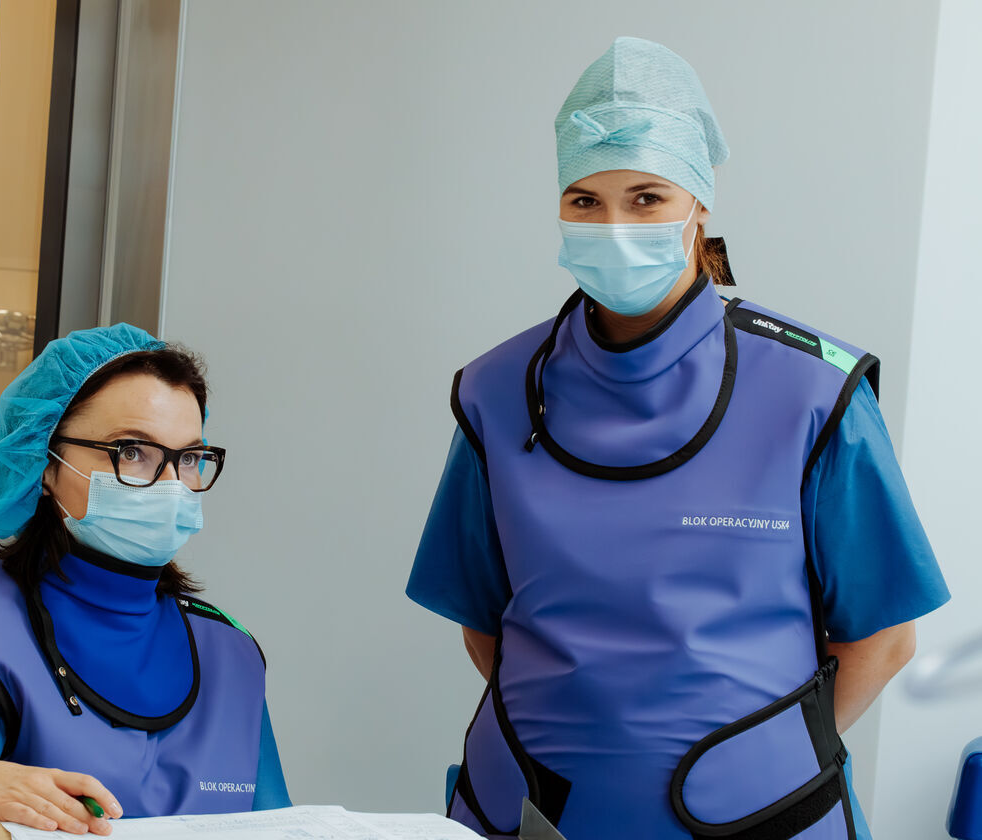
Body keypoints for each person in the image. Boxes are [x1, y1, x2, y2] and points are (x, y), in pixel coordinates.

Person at [407, 37, 949, 840]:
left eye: (646, 197)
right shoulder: (496, 391)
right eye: (585, 200)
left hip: (763, 819)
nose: (614, 225)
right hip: (537, 814)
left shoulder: (811, 392)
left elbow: (884, 637)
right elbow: (484, 623)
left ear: (700, 205)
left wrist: (759, 770)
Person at [0, 324, 289, 833]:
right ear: (45, 464)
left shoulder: (230, 653)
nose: (171, 486)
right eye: (132, 452)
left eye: (188, 458)